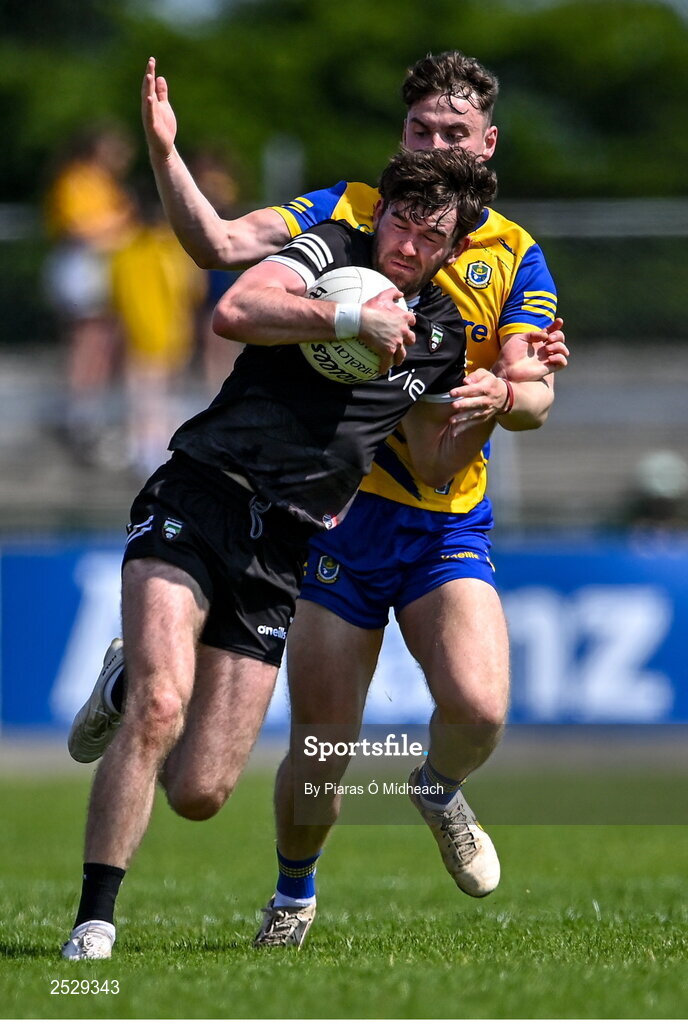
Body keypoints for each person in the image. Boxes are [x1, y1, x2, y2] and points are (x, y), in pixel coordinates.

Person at [67, 51, 568, 948]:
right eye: (422, 130)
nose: (438, 144)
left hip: (443, 510)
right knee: (321, 750)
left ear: (487, 143)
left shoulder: (514, 255)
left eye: (455, 133)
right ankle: (292, 896)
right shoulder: (346, 214)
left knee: (481, 709)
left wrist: (504, 396)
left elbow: (531, 388)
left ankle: (435, 785)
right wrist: (167, 155)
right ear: (402, 136)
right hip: (333, 513)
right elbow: (223, 255)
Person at [43, 123, 136, 464]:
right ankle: (78, 414)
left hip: (101, 265)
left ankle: (89, 412)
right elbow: (79, 228)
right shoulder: (76, 179)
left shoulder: (106, 183)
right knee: (87, 340)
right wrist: (118, 225)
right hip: (81, 264)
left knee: (101, 342)